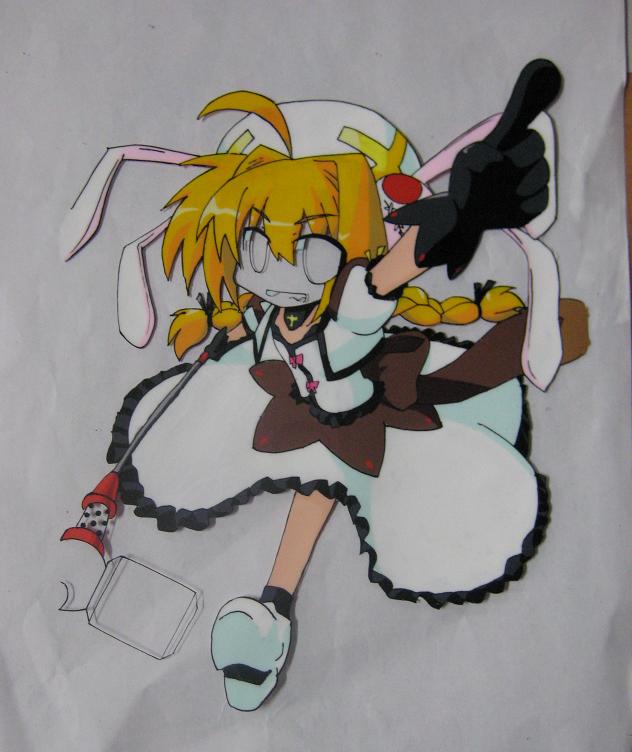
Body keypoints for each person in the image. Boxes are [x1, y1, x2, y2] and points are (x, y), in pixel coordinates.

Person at [62, 61, 588, 711]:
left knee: (341, 487)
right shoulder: (271, 311)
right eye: (257, 249)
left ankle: (272, 607)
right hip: (291, 397)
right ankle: (263, 606)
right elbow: (258, 321)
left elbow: (392, 272)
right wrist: (223, 331)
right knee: (248, 457)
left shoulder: (354, 305)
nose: (280, 270)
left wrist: (461, 215)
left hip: (360, 410)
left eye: (311, 248)